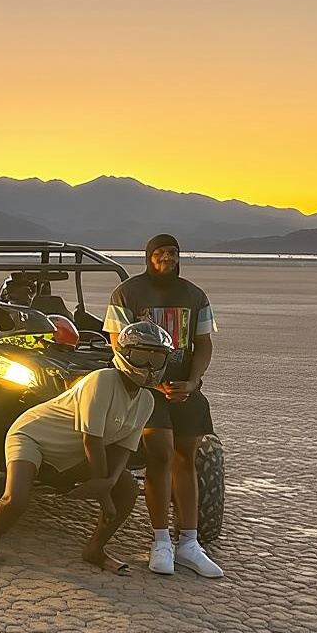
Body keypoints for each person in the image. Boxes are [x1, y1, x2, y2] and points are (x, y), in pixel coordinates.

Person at [0, 321, 174, 573]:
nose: (148, 367)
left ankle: (95, 549)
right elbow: (93, 440)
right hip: (33, 437)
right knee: (15, 498)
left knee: (128, 490)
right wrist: (103, 495)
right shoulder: (101, 380)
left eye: (156, 359)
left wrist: (110, 482)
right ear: (124, 354)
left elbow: (125, 448)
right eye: (141, 356)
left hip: (73, 452)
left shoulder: (146, 401)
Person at [104, 234, 223, 578]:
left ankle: (188, 542)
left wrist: (194, 382)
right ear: (149, 256)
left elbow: (203, 343)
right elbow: (118, 345)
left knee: (187, 460)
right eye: (161, 253)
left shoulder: (194, 295)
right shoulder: (128, 292)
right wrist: (151, 381)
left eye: (173, 253)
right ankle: (160, 542)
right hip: (145, 390)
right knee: (160, 456)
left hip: (185, 390)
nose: (168, 258)